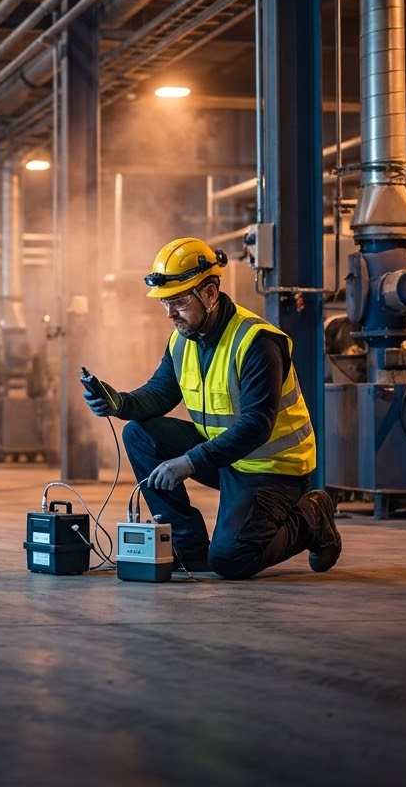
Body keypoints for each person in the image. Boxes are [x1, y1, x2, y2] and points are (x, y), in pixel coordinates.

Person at [82, 236, 341, 580]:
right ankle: (188, 545)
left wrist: (189, 462)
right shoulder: (183, 339)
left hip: (273, 469)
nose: (170, 313)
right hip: (226, 459)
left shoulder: (257, 342)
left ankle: (311, 517)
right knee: (139, 434)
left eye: (178, 301)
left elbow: (255, 425)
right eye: (165, 303)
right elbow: (161, 394)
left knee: (231, 561)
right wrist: (120, 403)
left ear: (210, 292)